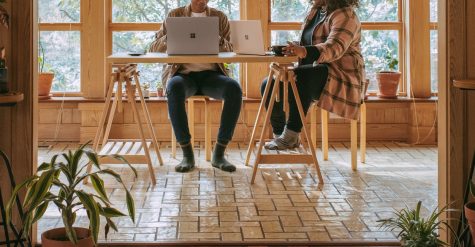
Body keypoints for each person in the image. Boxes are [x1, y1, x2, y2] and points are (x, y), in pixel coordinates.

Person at [149, 0, 242, 172]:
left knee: (234, 89)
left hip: (212, 77)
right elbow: (154, 47)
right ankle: (187, 154)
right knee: (173, 87)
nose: (201, 1)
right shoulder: (174, 16)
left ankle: (219, 153)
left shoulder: (219, 17)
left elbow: (231, 50)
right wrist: (172, 36)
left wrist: (218, 40)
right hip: (183, 76)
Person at [261, 0, 365, 150]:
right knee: (269, 84)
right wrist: (293, 48)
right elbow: (308, 42)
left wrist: (302, 51)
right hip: (314, 70)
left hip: (340, 74)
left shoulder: (346, 15)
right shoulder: (316, 11)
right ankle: (280, 135)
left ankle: (290, 135)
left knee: (302, 77)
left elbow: (334, 48)